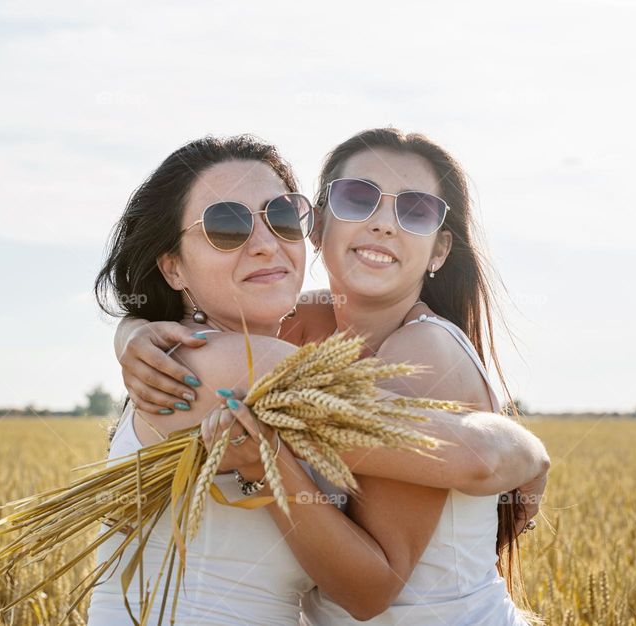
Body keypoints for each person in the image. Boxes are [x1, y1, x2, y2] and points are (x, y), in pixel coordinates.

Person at [111, 129, 548, 624]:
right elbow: (480, 457)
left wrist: (131, 331)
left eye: (279, 216)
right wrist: (529, 453)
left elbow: (474, 461)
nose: (263, 244)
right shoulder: (238, 360)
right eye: (226, 226)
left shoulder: (404, 346)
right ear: (320, 226)